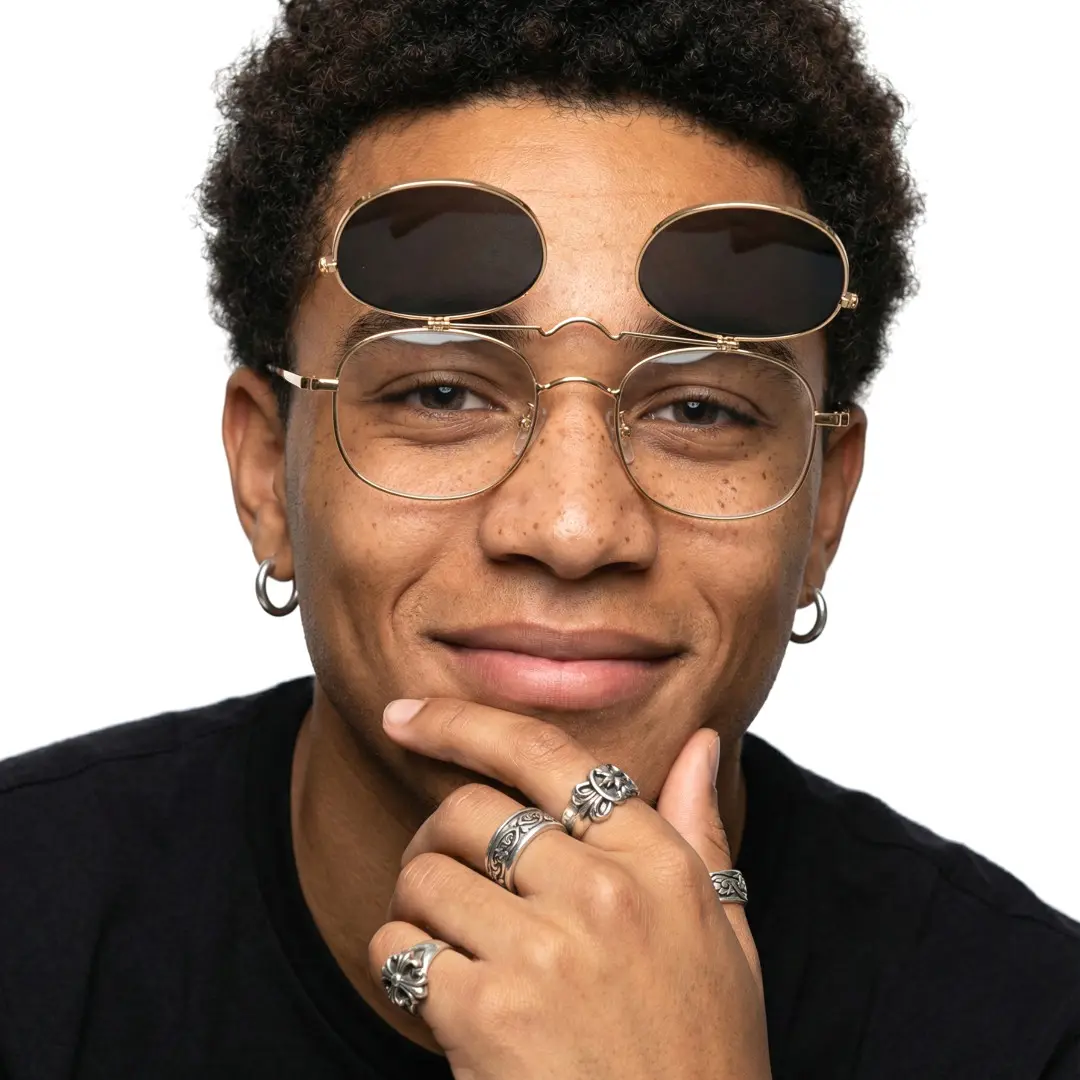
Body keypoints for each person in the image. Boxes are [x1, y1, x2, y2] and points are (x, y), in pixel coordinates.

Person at [1, 0, 1078, 1076]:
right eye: (438, 392)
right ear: (265, 477)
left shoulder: (1031, 1031)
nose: (573, 528)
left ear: (823, 512)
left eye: (701, 411)